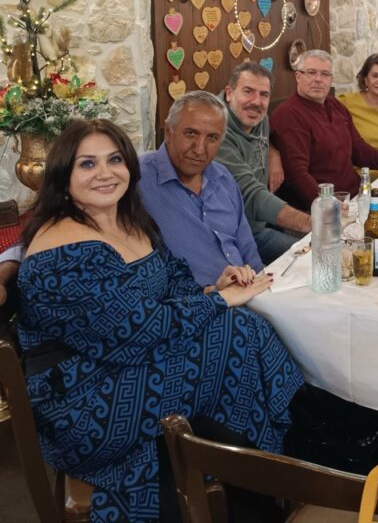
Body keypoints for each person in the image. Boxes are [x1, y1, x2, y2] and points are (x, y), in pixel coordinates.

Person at [16, 119, 304, 522]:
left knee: (243, 328)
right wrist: (219, 301)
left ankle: (251, 472)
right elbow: (133, 331)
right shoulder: (61, 248)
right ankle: (266, 473)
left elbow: (175, 283)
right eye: (87, 164)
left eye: (115, 159)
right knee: (234, 334)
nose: (105, 173)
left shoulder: (129, 220)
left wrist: (215, 287)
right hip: (84, 396)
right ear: (63, 176)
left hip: (130, 361)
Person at [139, 91, 264, 288]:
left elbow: (247, 247)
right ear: (169, 132)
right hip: (194, 302)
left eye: (212, 138)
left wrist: (261, 287)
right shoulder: (137, 179)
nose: (199, 149)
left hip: (249, 291)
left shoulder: (223, 177)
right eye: (191, 134)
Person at [270, 50, 378, 211]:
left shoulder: (336, 106)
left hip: (356, 196)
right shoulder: (288, 115)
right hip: (325, 208)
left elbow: (358, 149)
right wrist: (330, 205)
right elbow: (297, 175)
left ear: (331, 80)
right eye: (311, 72)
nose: (318, 79)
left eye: (325, 74)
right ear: (298, 76)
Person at [216, 61, 311, 265]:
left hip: (257, 228)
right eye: (248, 91)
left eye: (264, 95)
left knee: (317, 255)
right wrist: (311, 222)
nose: (256, 102)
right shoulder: (216, 130)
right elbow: (250, 194)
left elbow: (262, 140)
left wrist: (273, 153)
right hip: (228, 239)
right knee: (308, 261)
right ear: (229, 93)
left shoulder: (259, 119)